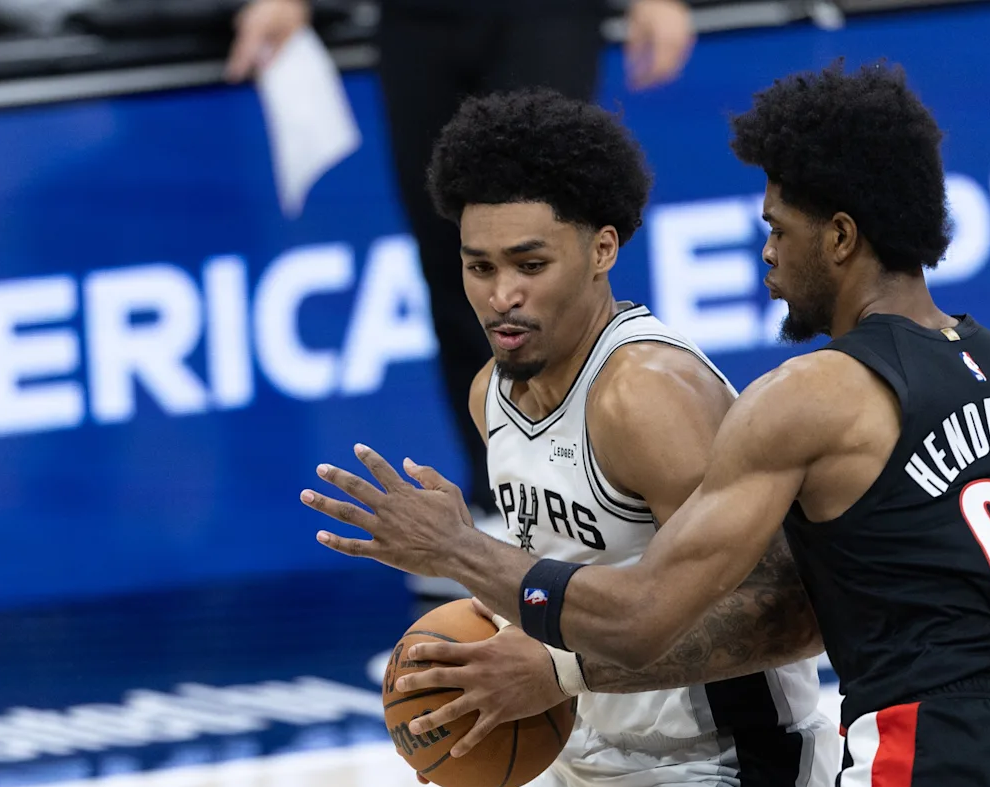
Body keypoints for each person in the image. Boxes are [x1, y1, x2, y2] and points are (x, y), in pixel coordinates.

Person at [302, 61, 990, 787]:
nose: (763, 255)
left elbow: (659, 616)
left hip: (857, 764)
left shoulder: (805, 394)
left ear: (838, 236)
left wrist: (461, 552)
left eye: (775, 229)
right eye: (478, 265)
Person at [304, 88, 837, 787]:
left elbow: (787, 615)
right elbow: (563, 590)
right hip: (575, 755)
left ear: (602, 250)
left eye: (530, 264)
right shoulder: (491, 392)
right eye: (480, 267)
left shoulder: (649, 396)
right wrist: (469, 705)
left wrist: (541, 650)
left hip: (724, 764)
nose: (502, 297)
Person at [228, 0, 694, 535]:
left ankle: (601, 494)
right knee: (452, 258)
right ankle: (502, 501)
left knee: (548, 243)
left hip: (542, 15)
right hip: (418, 21)